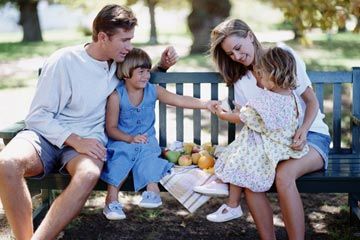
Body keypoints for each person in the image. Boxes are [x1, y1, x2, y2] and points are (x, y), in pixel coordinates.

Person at [0, 5, 178, 240]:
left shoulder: (118, 64)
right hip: (45, 135)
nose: (130, 46)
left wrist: (162, 67)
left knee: (87, 174)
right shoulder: (64, 60)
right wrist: (75, 140)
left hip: (90, 139)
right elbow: (37, 115)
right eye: (124, 40)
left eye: (131, 39)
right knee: (6, 163)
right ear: (103, 37)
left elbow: (136, 79)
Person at [194, 19, 331, 239]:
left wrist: (303, 130)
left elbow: (311, 101)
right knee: (250, 176)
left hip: (311, 136)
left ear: (249, 35)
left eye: (238, 48)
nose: (237, 57)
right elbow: (248, 119)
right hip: (275, 143)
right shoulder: (241, 80)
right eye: (230, 54)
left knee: (284, 175)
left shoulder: (281, 56)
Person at [101, 48, 218, 220]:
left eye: (148, 71)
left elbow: (179, 99)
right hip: (122, 141)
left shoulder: (152, 90)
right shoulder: (116, 96)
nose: (146, 76)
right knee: (120, 158)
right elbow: (111, 128)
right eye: (141, 72)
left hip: (146, 141)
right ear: (126, 73)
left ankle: (152, 192)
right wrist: (129, 139)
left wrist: (205, 104)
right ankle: (111, 201)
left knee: (150, 155)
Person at [206, 47, 309, 223]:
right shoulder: (290, 96)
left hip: (271, 149)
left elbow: (239, 118)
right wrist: (246, 112)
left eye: (261, 75)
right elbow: (260, 117)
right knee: (245, 146)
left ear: (273, 76)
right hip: (284, 145)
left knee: (242, 154)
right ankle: (228, 193)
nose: (259, 79)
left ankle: (232, 203)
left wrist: (221, 114)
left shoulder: (266, 99)